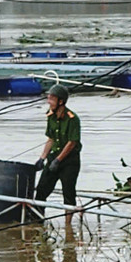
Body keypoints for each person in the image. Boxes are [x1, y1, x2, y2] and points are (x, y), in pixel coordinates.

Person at [34, 84, 82, 224]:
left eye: (52, 99)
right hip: (54, 157)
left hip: (69, 161)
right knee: (41, 190)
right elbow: (51, 139)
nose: (49, 101)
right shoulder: (50, 116)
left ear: (61, 101)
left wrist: (59, 160)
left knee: (68, 194)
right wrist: (42, 158)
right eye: (48, 98)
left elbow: (72, 142)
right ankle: (38, 221)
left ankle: (68, 226)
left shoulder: (72, 118)